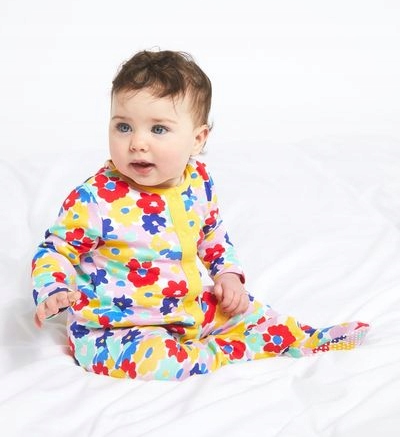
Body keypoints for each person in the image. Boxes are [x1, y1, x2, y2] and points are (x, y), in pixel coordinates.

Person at [31, 49, 369, 381]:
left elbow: (211, 233)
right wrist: (54, 287)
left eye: (158, 129)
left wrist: (227, 275)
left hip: (187, 307)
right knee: (162, 363)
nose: (137, 143)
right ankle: (216, 353)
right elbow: (56, 249)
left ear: (197, 139)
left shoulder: (197, 181)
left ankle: (305, 339)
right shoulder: (95, 198)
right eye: (123, 127)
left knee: (249, 310)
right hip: (116, 327)